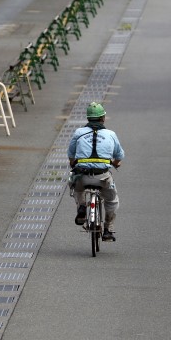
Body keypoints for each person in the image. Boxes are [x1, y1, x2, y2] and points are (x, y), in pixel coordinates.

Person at [68, 102, 124, 242]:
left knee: (76, 185)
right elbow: (119, 156)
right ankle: (108, 230)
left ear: (88, 118)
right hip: (102, 177)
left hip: (83, 176)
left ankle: (81, 207)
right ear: (103, 118)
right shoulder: (111, 134)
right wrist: (116, 164)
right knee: (112, 200)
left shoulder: (78, 133)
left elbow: (71, 154)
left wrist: (73, 163)